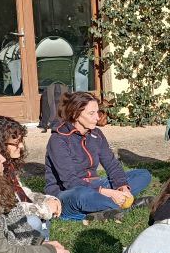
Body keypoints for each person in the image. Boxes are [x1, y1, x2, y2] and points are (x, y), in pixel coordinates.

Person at [45, 91, 153, 221]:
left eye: (97, 112)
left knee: (143, 174)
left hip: (96, 185)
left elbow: (112, 165)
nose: (97, 117)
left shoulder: (96, 134)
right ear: (75, 114)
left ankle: (105, 207)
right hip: (69, 192)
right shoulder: (58, 139)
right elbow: (71, 182)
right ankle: (129, 205)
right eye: (91, 113)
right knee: (82, 195)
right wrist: (109, 192)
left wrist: (122, 187)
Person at [0, 116, 61, 241]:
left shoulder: (8, 165)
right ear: (0, 144)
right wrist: (44, 209)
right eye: (16, 143)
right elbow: (8, 209)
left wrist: (46, 199)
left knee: (41, 219)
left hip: (16, 219)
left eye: (21, 140)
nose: (22, 146)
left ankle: (43, 246)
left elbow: (22, 193)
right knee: (33, 221)